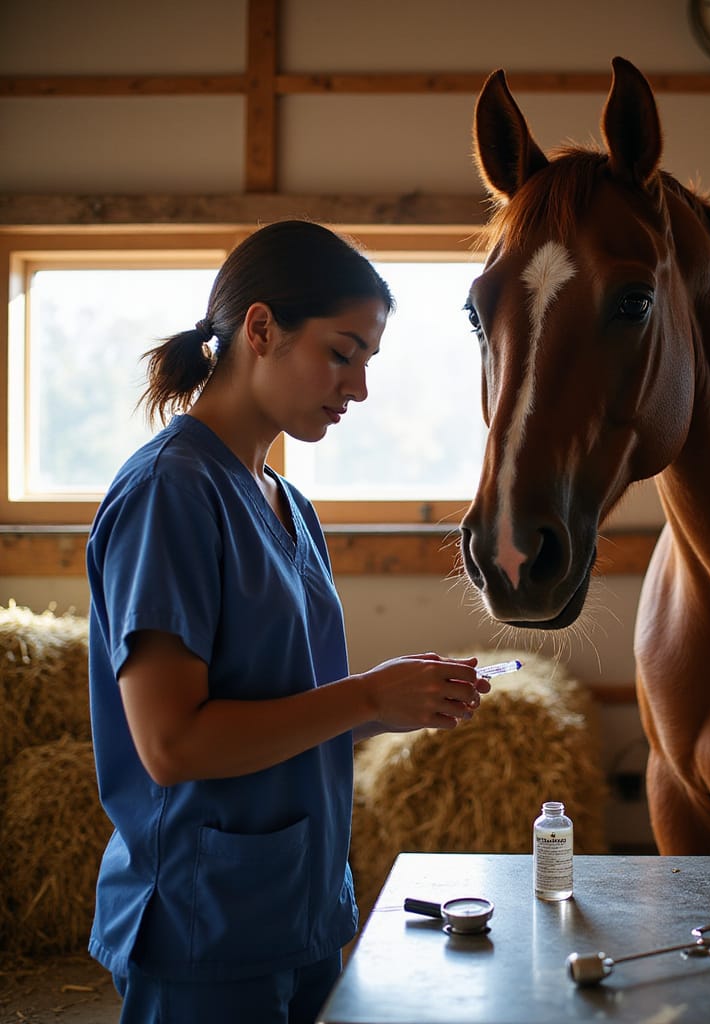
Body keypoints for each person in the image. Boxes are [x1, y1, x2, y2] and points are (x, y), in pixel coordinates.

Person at [86, 220, 490, 1023]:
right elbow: (172, 745)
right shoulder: (171, 492)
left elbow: (284, 705)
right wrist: (365, 697)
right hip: (205, 923)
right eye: (342, 353)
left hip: (298, 905)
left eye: (369, 361)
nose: (359, 389)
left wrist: (392, 701)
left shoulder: (286, 502)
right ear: (262, 329)